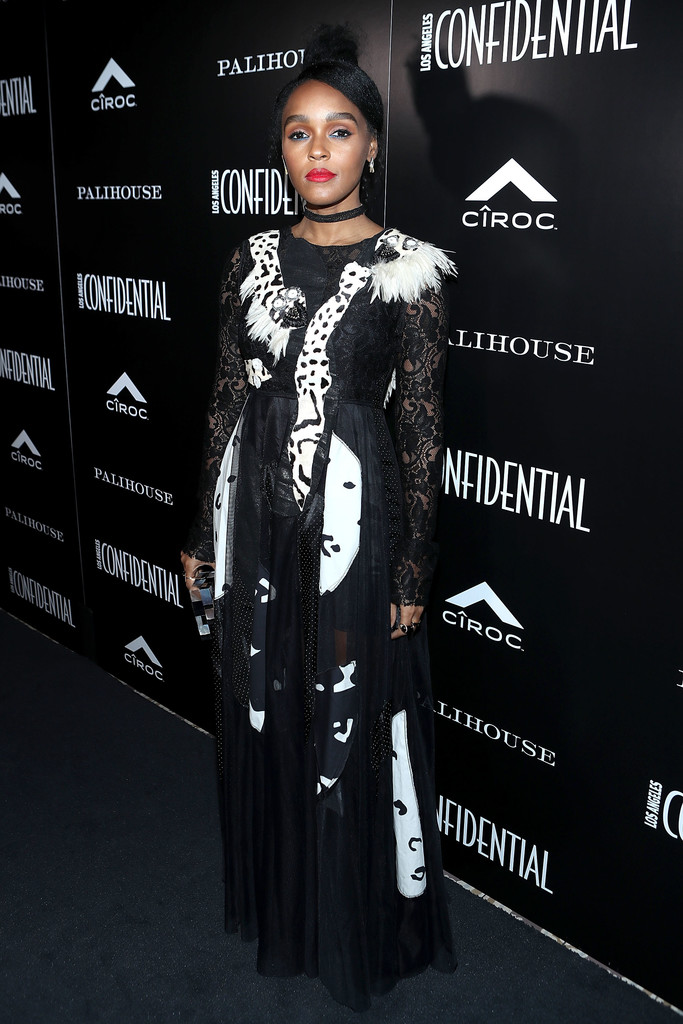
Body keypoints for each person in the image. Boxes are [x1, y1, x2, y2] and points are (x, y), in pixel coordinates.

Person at [181, 25, 456, 1011]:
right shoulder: (249, 259)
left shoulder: (408, 269)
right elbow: (225, 396)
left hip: (356, 525)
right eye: (298, 133)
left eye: (339, 131)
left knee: (345, 718)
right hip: (255, 518)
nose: (318, 151)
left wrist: (412, 569)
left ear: (371, 146)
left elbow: (421, 429)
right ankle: (287, 908)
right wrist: (199, 532)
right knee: (269, 706)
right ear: (282, 150)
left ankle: (351, 919)